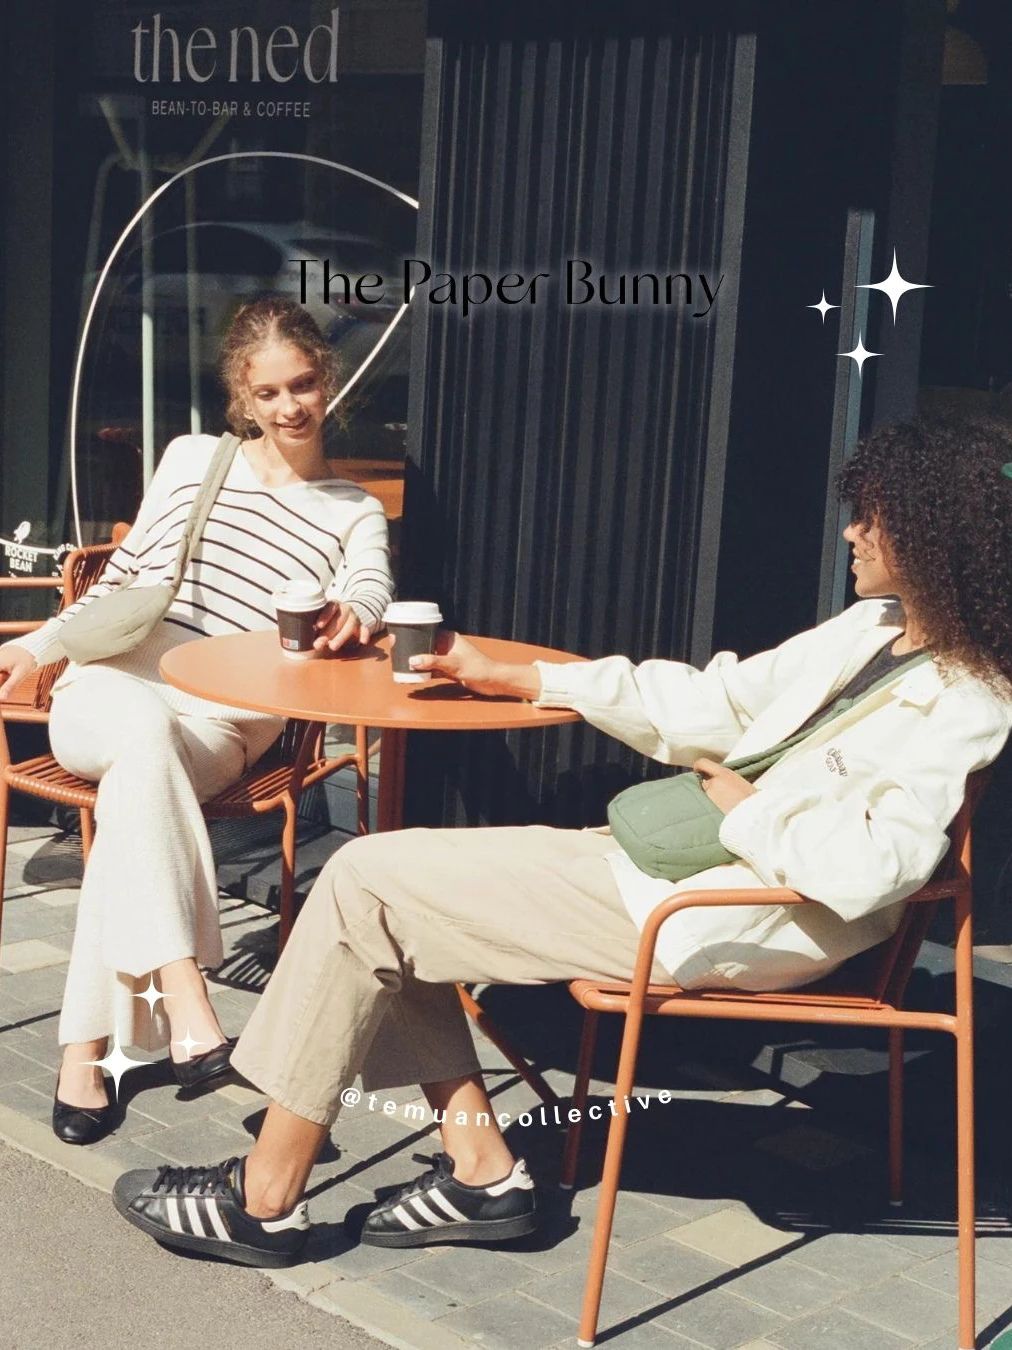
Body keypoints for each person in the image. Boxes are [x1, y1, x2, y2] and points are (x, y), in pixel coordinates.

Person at [111, 416, 1011, 1264]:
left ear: (933, 539)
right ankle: (481, 1175)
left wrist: (748, 811)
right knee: (379, 891)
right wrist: (519, 677)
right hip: (676, 873)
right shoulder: (871, 630)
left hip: (735, 913)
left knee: (365, 884)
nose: (851, 533)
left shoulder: (971, 699)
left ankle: (264, 1198)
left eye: (872, 519)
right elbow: (716, 700)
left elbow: (878, 867)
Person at [0, 296, 394, 1144]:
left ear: (327, 380)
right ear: (241, 395)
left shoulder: (352, 509)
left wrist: (356, 613)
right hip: (111, 685)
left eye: (303, 384)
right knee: (140, 740)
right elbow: (125, 578)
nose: (290, 407)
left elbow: (370, 586)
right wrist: (36, 646)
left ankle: (86, 1055)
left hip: (221, 721)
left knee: (136, 798)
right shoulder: (191, 459)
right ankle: (186, 999)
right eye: (269, 392)